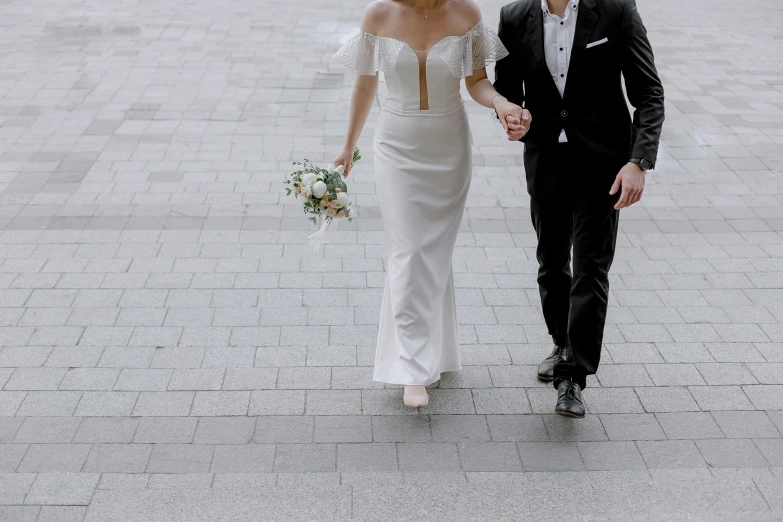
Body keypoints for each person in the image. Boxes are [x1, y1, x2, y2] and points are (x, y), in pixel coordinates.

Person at [333, 0, 531, 408]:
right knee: (409, 250)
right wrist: (348, 147)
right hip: (396, 144)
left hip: (449, 147)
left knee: (432, 252)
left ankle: (434, 352)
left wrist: (503, 104)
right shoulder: (378, 15)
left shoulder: (466, 14)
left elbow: (477, 82)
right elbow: (366, 84)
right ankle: (412, 370)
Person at [494, 0, 664, 418]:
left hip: (605, 162)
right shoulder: (514, 16)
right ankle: (561, 341)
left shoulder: (616, 10)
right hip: (546, 159)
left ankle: (573, 375)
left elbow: (648, 92)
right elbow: (508, 88)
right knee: (551, 263)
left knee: (590, 267)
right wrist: (512, 117)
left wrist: (638, 161)